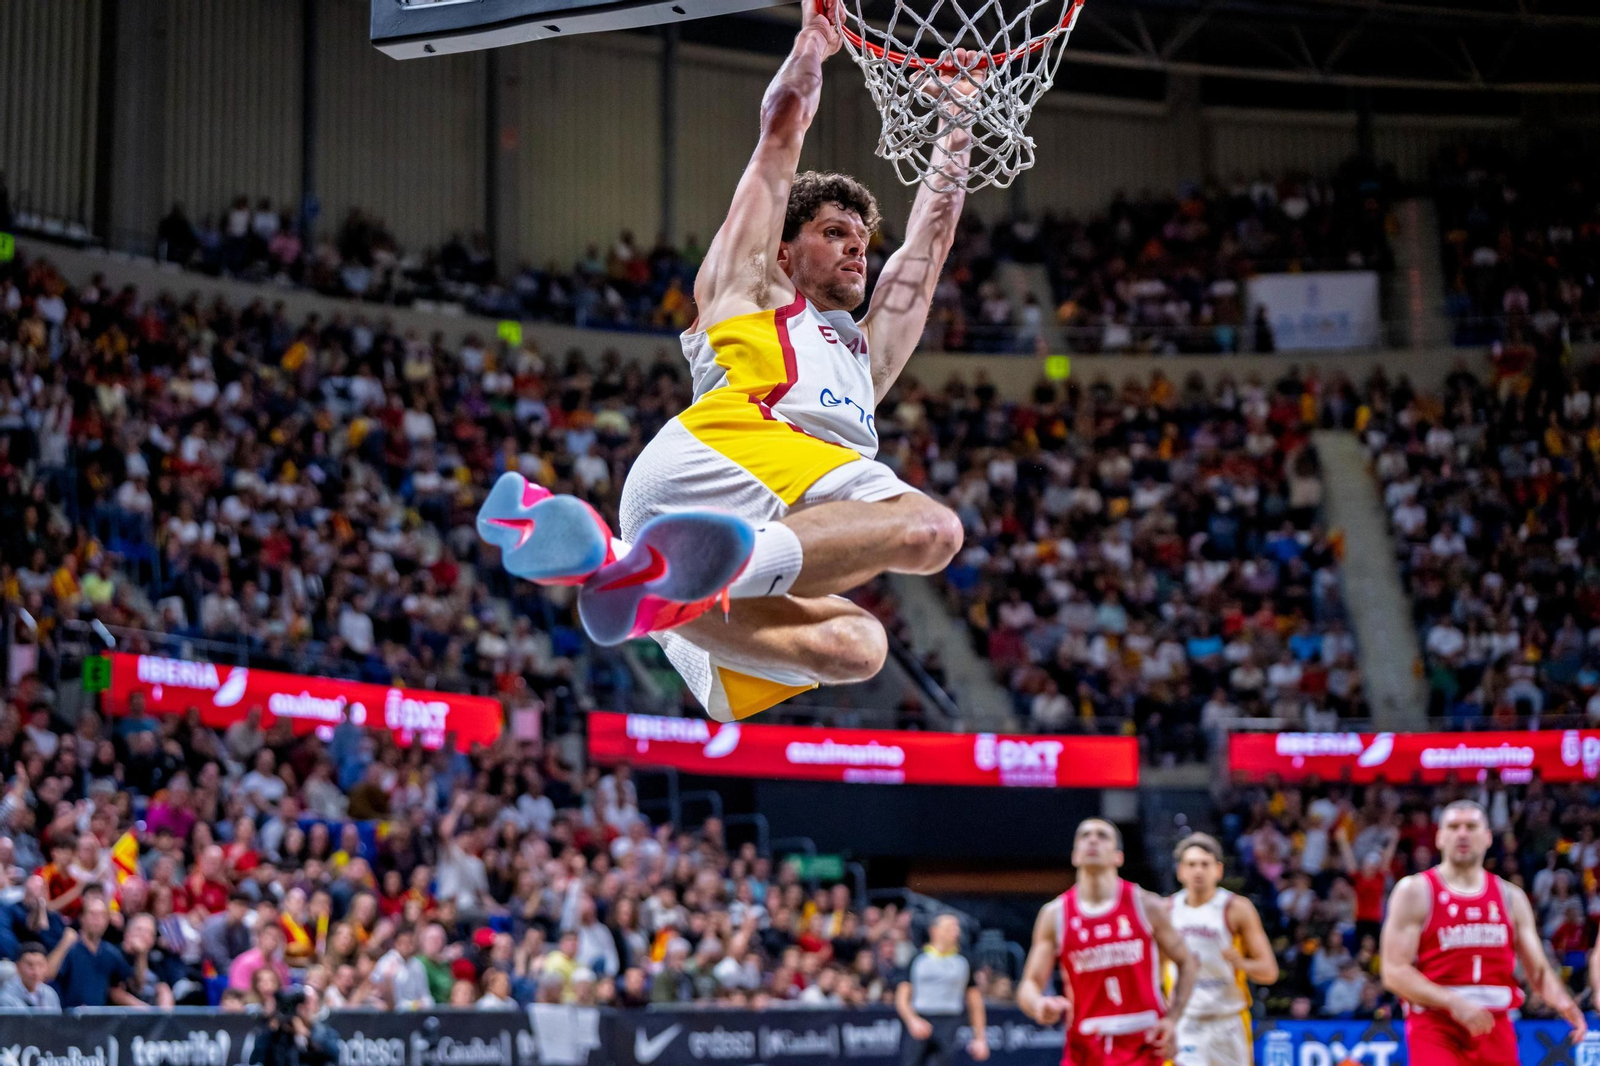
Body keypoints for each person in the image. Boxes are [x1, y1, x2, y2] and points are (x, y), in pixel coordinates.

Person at [478, 0, 980, 723]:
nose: (855, 247)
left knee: (859, 647)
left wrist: (958, 121)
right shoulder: (750, 288)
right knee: (932, 530)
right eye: (833, 232)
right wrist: (813, 43)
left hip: (716, 508)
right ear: (784, 251)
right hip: (729, 446)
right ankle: (699, 563)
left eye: (861, 240)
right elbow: (780, 134)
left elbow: (930, 243)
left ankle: (633, 575)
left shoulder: (863, 358)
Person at [1380, 799, 1586, 1065]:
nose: (1462, 834)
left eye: (1471, 826)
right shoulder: (1415, 891)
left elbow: (1538, 972)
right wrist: (1453, 1002)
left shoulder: (1511, 897)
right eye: (1454, 827)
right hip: (1436, 1025)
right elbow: (1394, 971)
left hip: (1495, 1025)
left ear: (1488, 837)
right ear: (1439, 837)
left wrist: (1564, 1002)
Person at [1017, 819, 1197, 1066]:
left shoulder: (1147, 905)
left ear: (1118, 857)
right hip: (1086, 1047)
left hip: (1144, 1042)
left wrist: (1172, 1019)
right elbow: (1028, 984)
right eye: (1085, 835)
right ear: (1075, 855)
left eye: (1102, 835)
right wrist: (1038, 1004)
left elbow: (1188, 962)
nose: (1092, 840)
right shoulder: (1055, 914)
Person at [1166, 833, 1278, 1066]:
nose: (1198, 871)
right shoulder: (1165, 911)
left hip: (1228, 1021)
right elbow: (1153, 970)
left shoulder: (1236, 908)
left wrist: (1241, 963)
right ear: (1180, 871)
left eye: (1205, 864)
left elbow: (1269, 972)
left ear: (1218, 870)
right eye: (1191, 865)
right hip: (1186, 1021)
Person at [895, 913, 989, 1065]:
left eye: (957, 927)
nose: (956, 931)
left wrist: (980, 1039)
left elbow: (975, 1001)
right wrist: (912, 1020)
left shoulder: (964, 960)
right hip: (921, 1018)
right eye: (950, 927)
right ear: (934, 930)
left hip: (950, 1021)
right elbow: (902, 997)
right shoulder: (918, 959)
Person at [0, 941, 61, 1010]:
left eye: (40, 965)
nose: (35, 970)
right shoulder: (6, 997)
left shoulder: (50, 994)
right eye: (30, 965)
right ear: (18, 967)